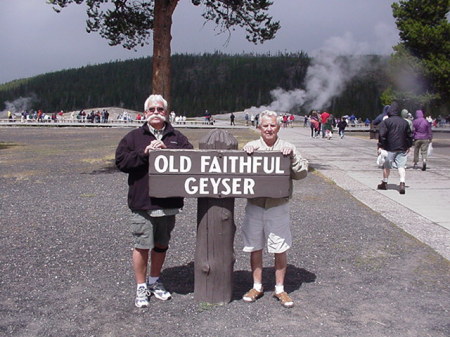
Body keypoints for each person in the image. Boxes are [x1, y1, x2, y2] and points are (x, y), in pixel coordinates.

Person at [115, 94, 193, 308]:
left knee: (161, 244)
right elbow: (121, 162)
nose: (156, 113)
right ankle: (141, 286)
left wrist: (169, 154)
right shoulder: (133, 137)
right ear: (145, 112)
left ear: (166, 113)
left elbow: (192, 159)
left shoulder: (177, 137)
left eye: (160, 109)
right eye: (152, 109)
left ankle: (155, 280)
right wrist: (144, 154)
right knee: (142, 245)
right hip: (143, 202)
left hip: (169, 202)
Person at [241, 110, 308, 308]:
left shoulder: (288, 147)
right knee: (255, 246)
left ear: (278, 127)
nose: (269, 129)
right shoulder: (251, 147)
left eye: (272, 125)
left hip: (278, 206)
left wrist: (293, 157)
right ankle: (257, 286)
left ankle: (280, 289)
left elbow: (302, 172)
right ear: (259, 128)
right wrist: (245, 153)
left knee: (279, 247)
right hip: (255, 204)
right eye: (265, 125)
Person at [377, 102, 413, 195]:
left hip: (389, 148)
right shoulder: (404, 122)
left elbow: (382, 135)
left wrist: (381, 146)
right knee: (401, 166)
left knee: (386, 166)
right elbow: (409, 135)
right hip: (402, 147)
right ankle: (402, 183)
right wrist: (408, 146)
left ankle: (384, 183)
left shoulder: (386, 122)